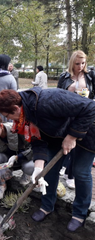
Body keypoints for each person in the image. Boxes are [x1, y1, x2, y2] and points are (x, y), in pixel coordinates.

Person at [0, 88, 95, 232]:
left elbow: (90, 107)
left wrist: (72, 136)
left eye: (7, 115)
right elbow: (37, 140)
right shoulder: (26, 114)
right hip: (57, 136)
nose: (9, 119)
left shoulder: (47, 100)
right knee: (49, 170)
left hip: (88, 132)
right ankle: (47, 206)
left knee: (80, 172)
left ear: (15, 108)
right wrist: (38, 168)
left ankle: (79, 214)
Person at [57, 50, 95, 190]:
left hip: (85, 116)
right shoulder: (64, 76)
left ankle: (71, 174)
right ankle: (67, 170)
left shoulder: (90, 76)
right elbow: (58, 96)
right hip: (69, 115)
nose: (80, 66)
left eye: (83, 63)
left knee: (81, 145)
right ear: (72, 63)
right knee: (68, 145)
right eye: (77, 63)